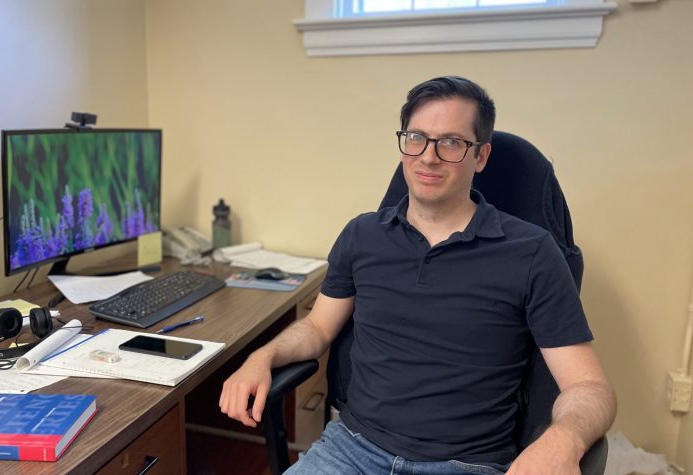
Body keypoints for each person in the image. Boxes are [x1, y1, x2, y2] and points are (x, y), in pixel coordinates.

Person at [220, 76, 616, 474]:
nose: (428, 157)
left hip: (465, 464)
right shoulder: (362, 234)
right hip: (351, 452)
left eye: (451, 142)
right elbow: (317, 329)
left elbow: (589, 387)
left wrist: (564, 438)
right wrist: (262, 357)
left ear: (480, 156)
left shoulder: (531, 252)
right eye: (417, 138)